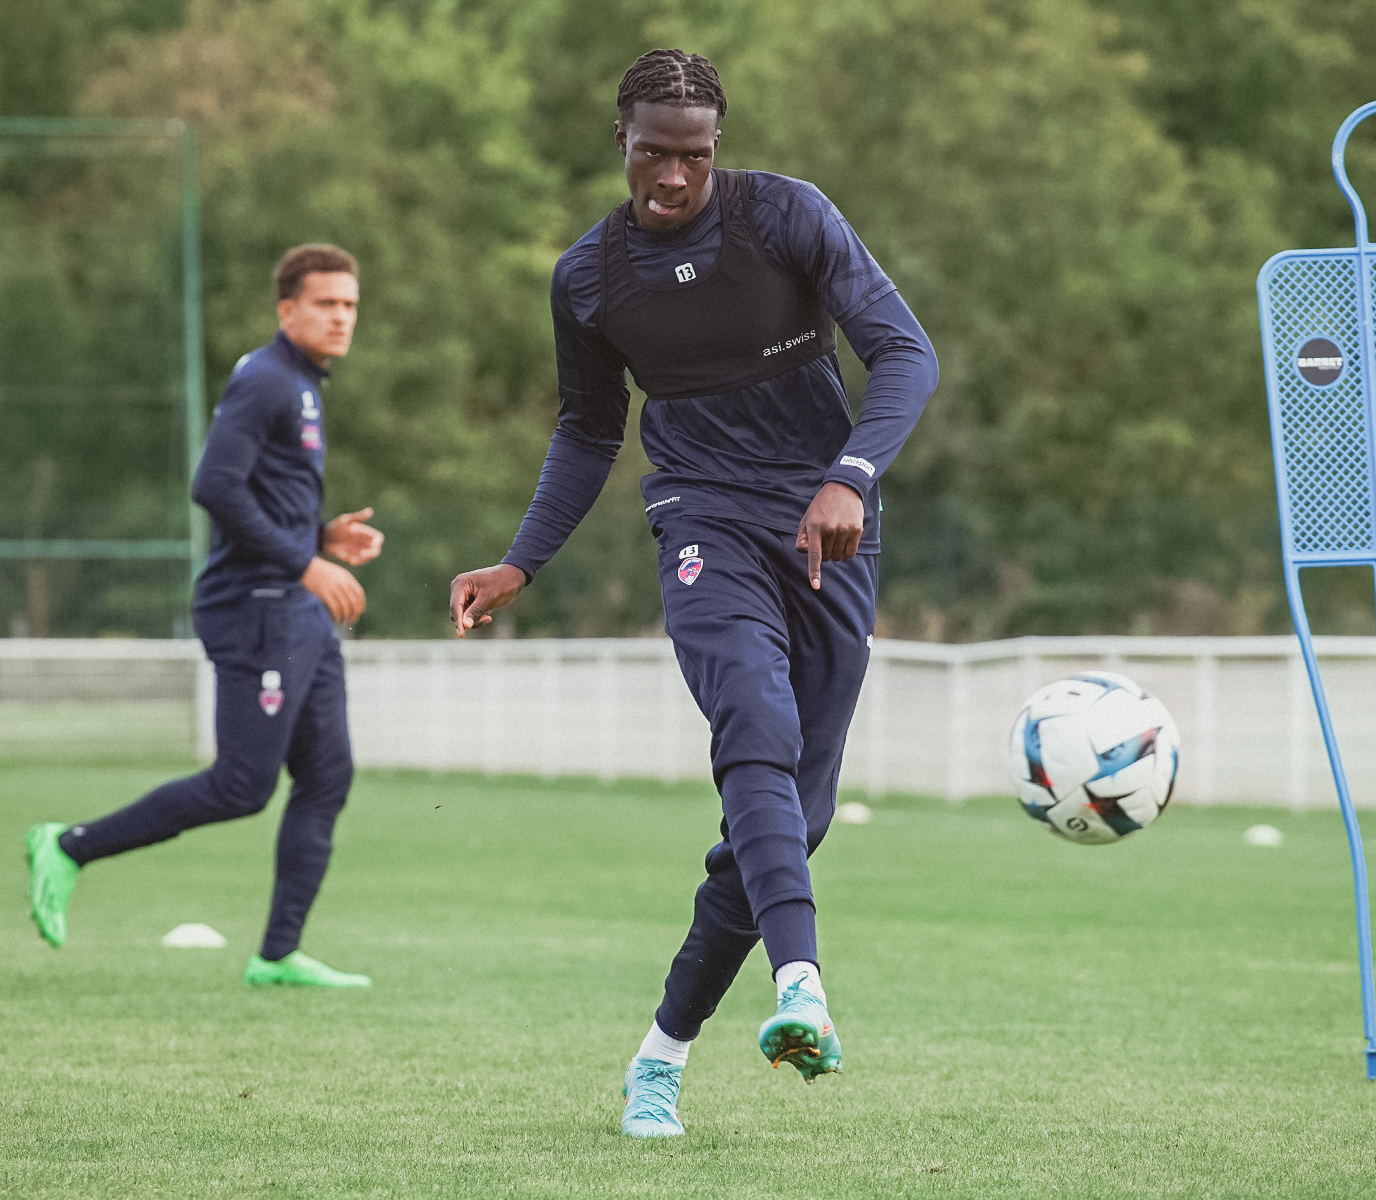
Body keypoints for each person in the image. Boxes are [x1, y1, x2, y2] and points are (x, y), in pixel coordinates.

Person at [448, 50, 938, 1136]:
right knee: (751, 725)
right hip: (700, 519)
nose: (673, 177)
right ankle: (801, 985)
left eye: (695, 155)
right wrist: (519, 560)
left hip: (827, 532)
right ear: (618, 139)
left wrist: (847, 476)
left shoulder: (789, 219)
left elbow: (904, 355)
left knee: (782, 830)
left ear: (718, 145)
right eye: (653, 154)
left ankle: (658, 1058)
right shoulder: (588, 279)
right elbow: (586, 431)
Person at [25, 244, 382, 989]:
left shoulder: (306, 385)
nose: (342, 317)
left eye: (350, 305)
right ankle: (68, 846)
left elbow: (263, 499)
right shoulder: (265, 379)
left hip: (297, 606)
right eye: (326, 303)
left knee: (327, 778)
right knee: (241, 786)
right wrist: (305, 563)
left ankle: (277, 955)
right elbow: (214, 486)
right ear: (288, 310)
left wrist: (321, 540)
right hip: (256, 609)